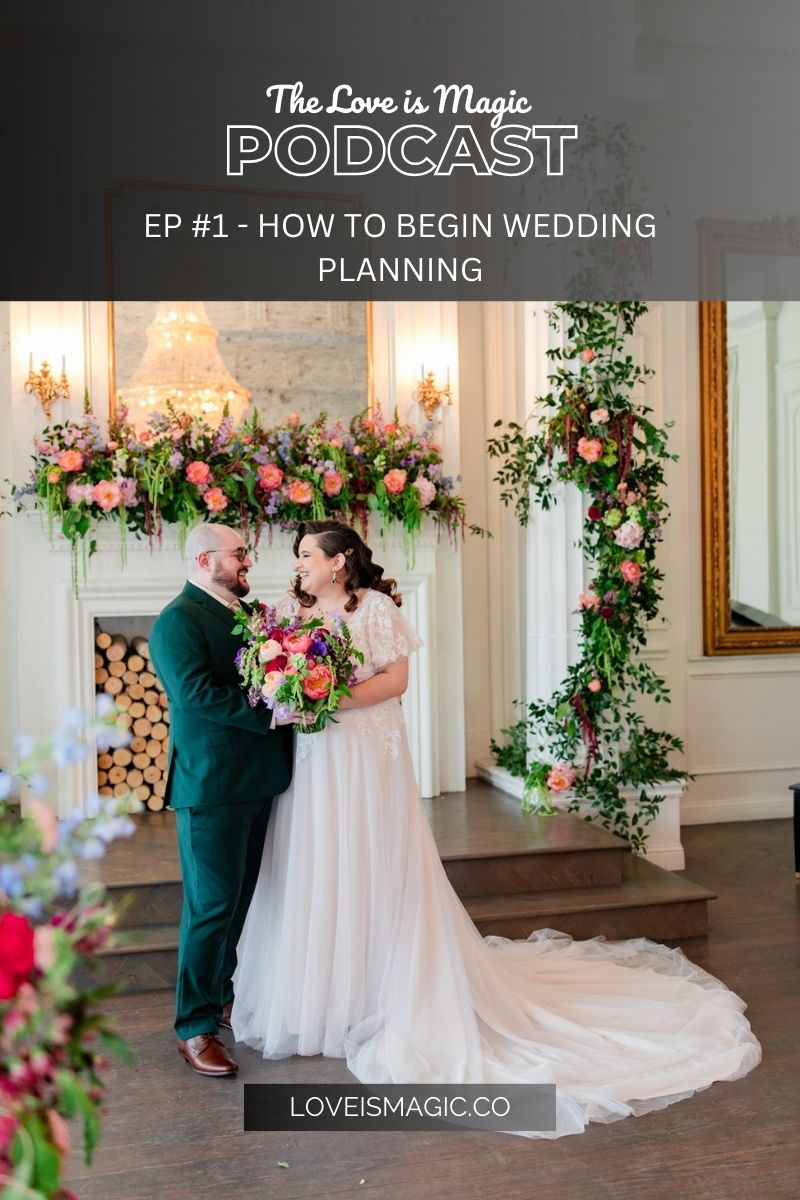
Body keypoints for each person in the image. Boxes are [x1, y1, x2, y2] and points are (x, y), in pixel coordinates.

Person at [232, 520, 761, 1137]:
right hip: (316, 758)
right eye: (297, 556)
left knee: (368, 859)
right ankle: (321, 999)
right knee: (318, 861)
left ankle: (380, 992)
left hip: (363, 754)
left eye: (305, 555)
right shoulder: (287, 612)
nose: (297, 564)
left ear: (340, 560)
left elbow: (395, 682)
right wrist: (288, 693)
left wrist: (326, 701)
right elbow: (276, 676)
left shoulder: (372, 607)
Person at [149, 522, 295, 1077]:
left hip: (258, 779)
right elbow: (197, 695)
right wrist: (275, 711)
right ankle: (194, 1025)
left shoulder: (246, 615)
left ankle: (224, 995)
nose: (247, 563)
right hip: (210, 785)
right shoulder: (176, 621)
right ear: (206, 560)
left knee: (238, 904)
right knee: (210, 908)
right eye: (239, 555)